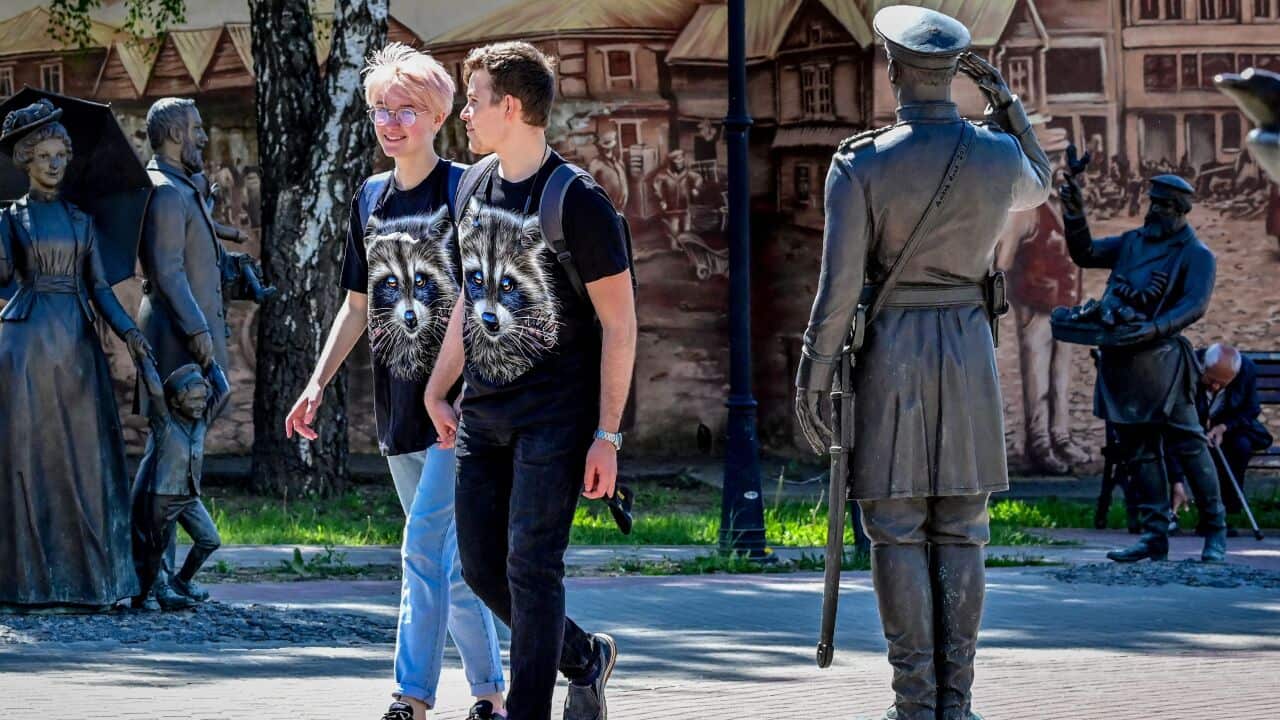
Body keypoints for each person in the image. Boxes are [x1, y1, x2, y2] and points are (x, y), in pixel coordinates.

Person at [793, 7, 1051, 719]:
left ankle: (914, 704)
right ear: (954, 74)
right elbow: (1042, 179)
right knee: (963, 527)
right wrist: (1006, 104)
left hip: (893, 351)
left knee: (897, 526)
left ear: (894, 70)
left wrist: (813, 373)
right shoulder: (998, 156)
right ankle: (956, 704)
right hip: (970, 346)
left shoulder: (863, 162)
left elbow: (839, 288)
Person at [282, 43, 504, 720]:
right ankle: (493, 696)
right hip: (397, 403)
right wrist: (316, 382)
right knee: (454, 563)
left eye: (406, 109)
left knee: (420, 550)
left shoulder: (466, 189)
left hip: (455, 409)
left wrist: (469, 391)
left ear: (435, 115)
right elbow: (356, 305)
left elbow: (491, 298)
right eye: (381, 109)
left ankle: (411, 696)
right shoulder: (370, 197)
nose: (391, 122)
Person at [425, 41, 636, 720]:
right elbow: (470, 292)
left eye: (475, 99)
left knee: (532, 568)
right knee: (483, 569)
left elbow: (621, 325)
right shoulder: (474, 186)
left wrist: (608, 435)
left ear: (510, 107)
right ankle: (584, 657)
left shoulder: (579, 204)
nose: (466, 112)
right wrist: (438, 387)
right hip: (484, 414)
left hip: (556, 417)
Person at [0, 99, 155, 610]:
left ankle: (90, 578)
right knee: (25, 457)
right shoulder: (11, 219)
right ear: (24, 160)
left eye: (59, 155)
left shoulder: (80, 220)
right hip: (24, 345)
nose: (53, 164)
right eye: (43, 155)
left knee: (84, 458)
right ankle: (25, 579)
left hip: (77, 346)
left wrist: (131, 334)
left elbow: (101, 290)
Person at [1059, 171, 1229, 564]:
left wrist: (1153, 327)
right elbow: (1084, 253)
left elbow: (1194, 306)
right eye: (1153, 203)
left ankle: (1215, 530)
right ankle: (1154, 534)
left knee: (1189, 446)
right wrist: (1074, 213)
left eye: (1165, 206)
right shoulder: (1132, 242)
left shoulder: (1198, 255)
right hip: (1122, 364)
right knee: (1139, 452)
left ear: (1181, 211)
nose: (1156, 211)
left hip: (1165, 366)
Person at [995, 127, 1089, 475]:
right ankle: (1040, 444)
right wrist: (1014, 305)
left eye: (1056, 158)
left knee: (1060, 378)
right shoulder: (1023, 207)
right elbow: (1002, 262)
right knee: (1038, 380)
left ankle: (1061, 437)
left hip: (1064, 307)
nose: (1056, 165)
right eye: (1049, 159)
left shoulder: (1059, 201)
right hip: (1035, 308)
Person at [130, 364, 225, 612]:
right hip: (162, 496)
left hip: (189, 496)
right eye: (193, 400)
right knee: (155, 549)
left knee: (209, 540)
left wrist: (210, 363)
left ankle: (181, 581)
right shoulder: (165, 423)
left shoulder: (202, 423)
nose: (200, 405)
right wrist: (143, 359)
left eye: (202, 399)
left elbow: (223, 392)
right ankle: (145, 593)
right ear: (175, 402)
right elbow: (155, 390)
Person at [1196, 343, 1273, 531]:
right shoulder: (1190, 366)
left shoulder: (1245, 370)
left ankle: (1228, 513)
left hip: (1230, 427)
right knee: (1202, 452)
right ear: (1203, 368)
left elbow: (1250, 409)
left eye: (1221, 383)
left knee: (1240, 446)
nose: (1215, 386)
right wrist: (1199, 430)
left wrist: (1224, 427)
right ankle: (1208, 514)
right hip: (1195, 427)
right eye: (1211, 380)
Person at [586, 131, 627, 210]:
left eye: (608, 147)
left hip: (620, 209)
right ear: (599, 147)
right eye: (603, 147)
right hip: (604, 208)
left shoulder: (619, 163)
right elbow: (589, 187)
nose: (606, 150)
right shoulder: (595, 164)